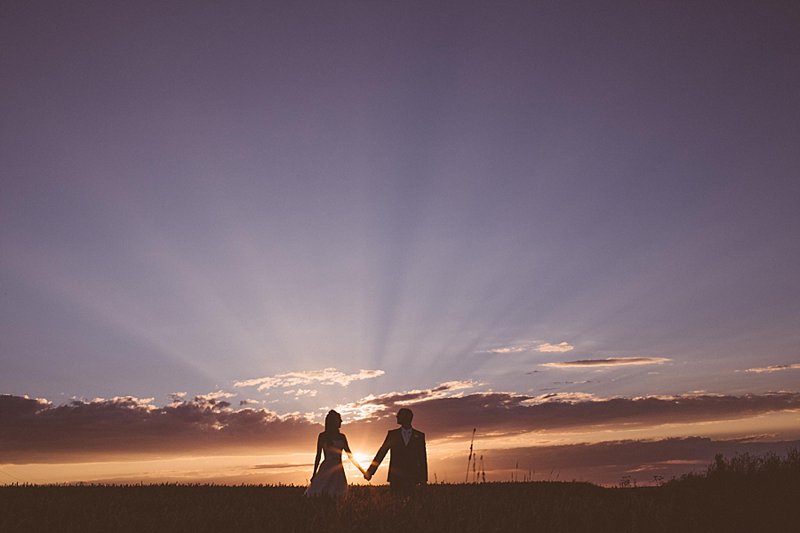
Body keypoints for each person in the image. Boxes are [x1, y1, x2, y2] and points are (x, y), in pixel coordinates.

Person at [364, 407, 427, 495]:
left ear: (407, 417)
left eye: (399, 415)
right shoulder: (392, 435)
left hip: (412, 477)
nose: (397, 417)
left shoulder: (419, 436)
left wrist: (423, 479)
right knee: (396, 504)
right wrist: (370, 471)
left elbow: (422, 458)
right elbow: (381, 453)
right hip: (396, 477)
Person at [305, 410, 366, 497]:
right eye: (339, 419)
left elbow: (350, 456)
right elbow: (318, 456)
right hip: (326, 469)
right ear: (333, 421)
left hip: (338, 470)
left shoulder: (342, 437)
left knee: (338, 494)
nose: (341, 421)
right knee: (321, 492)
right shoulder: (322, 436)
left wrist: (363, 471)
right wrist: (314, 474)